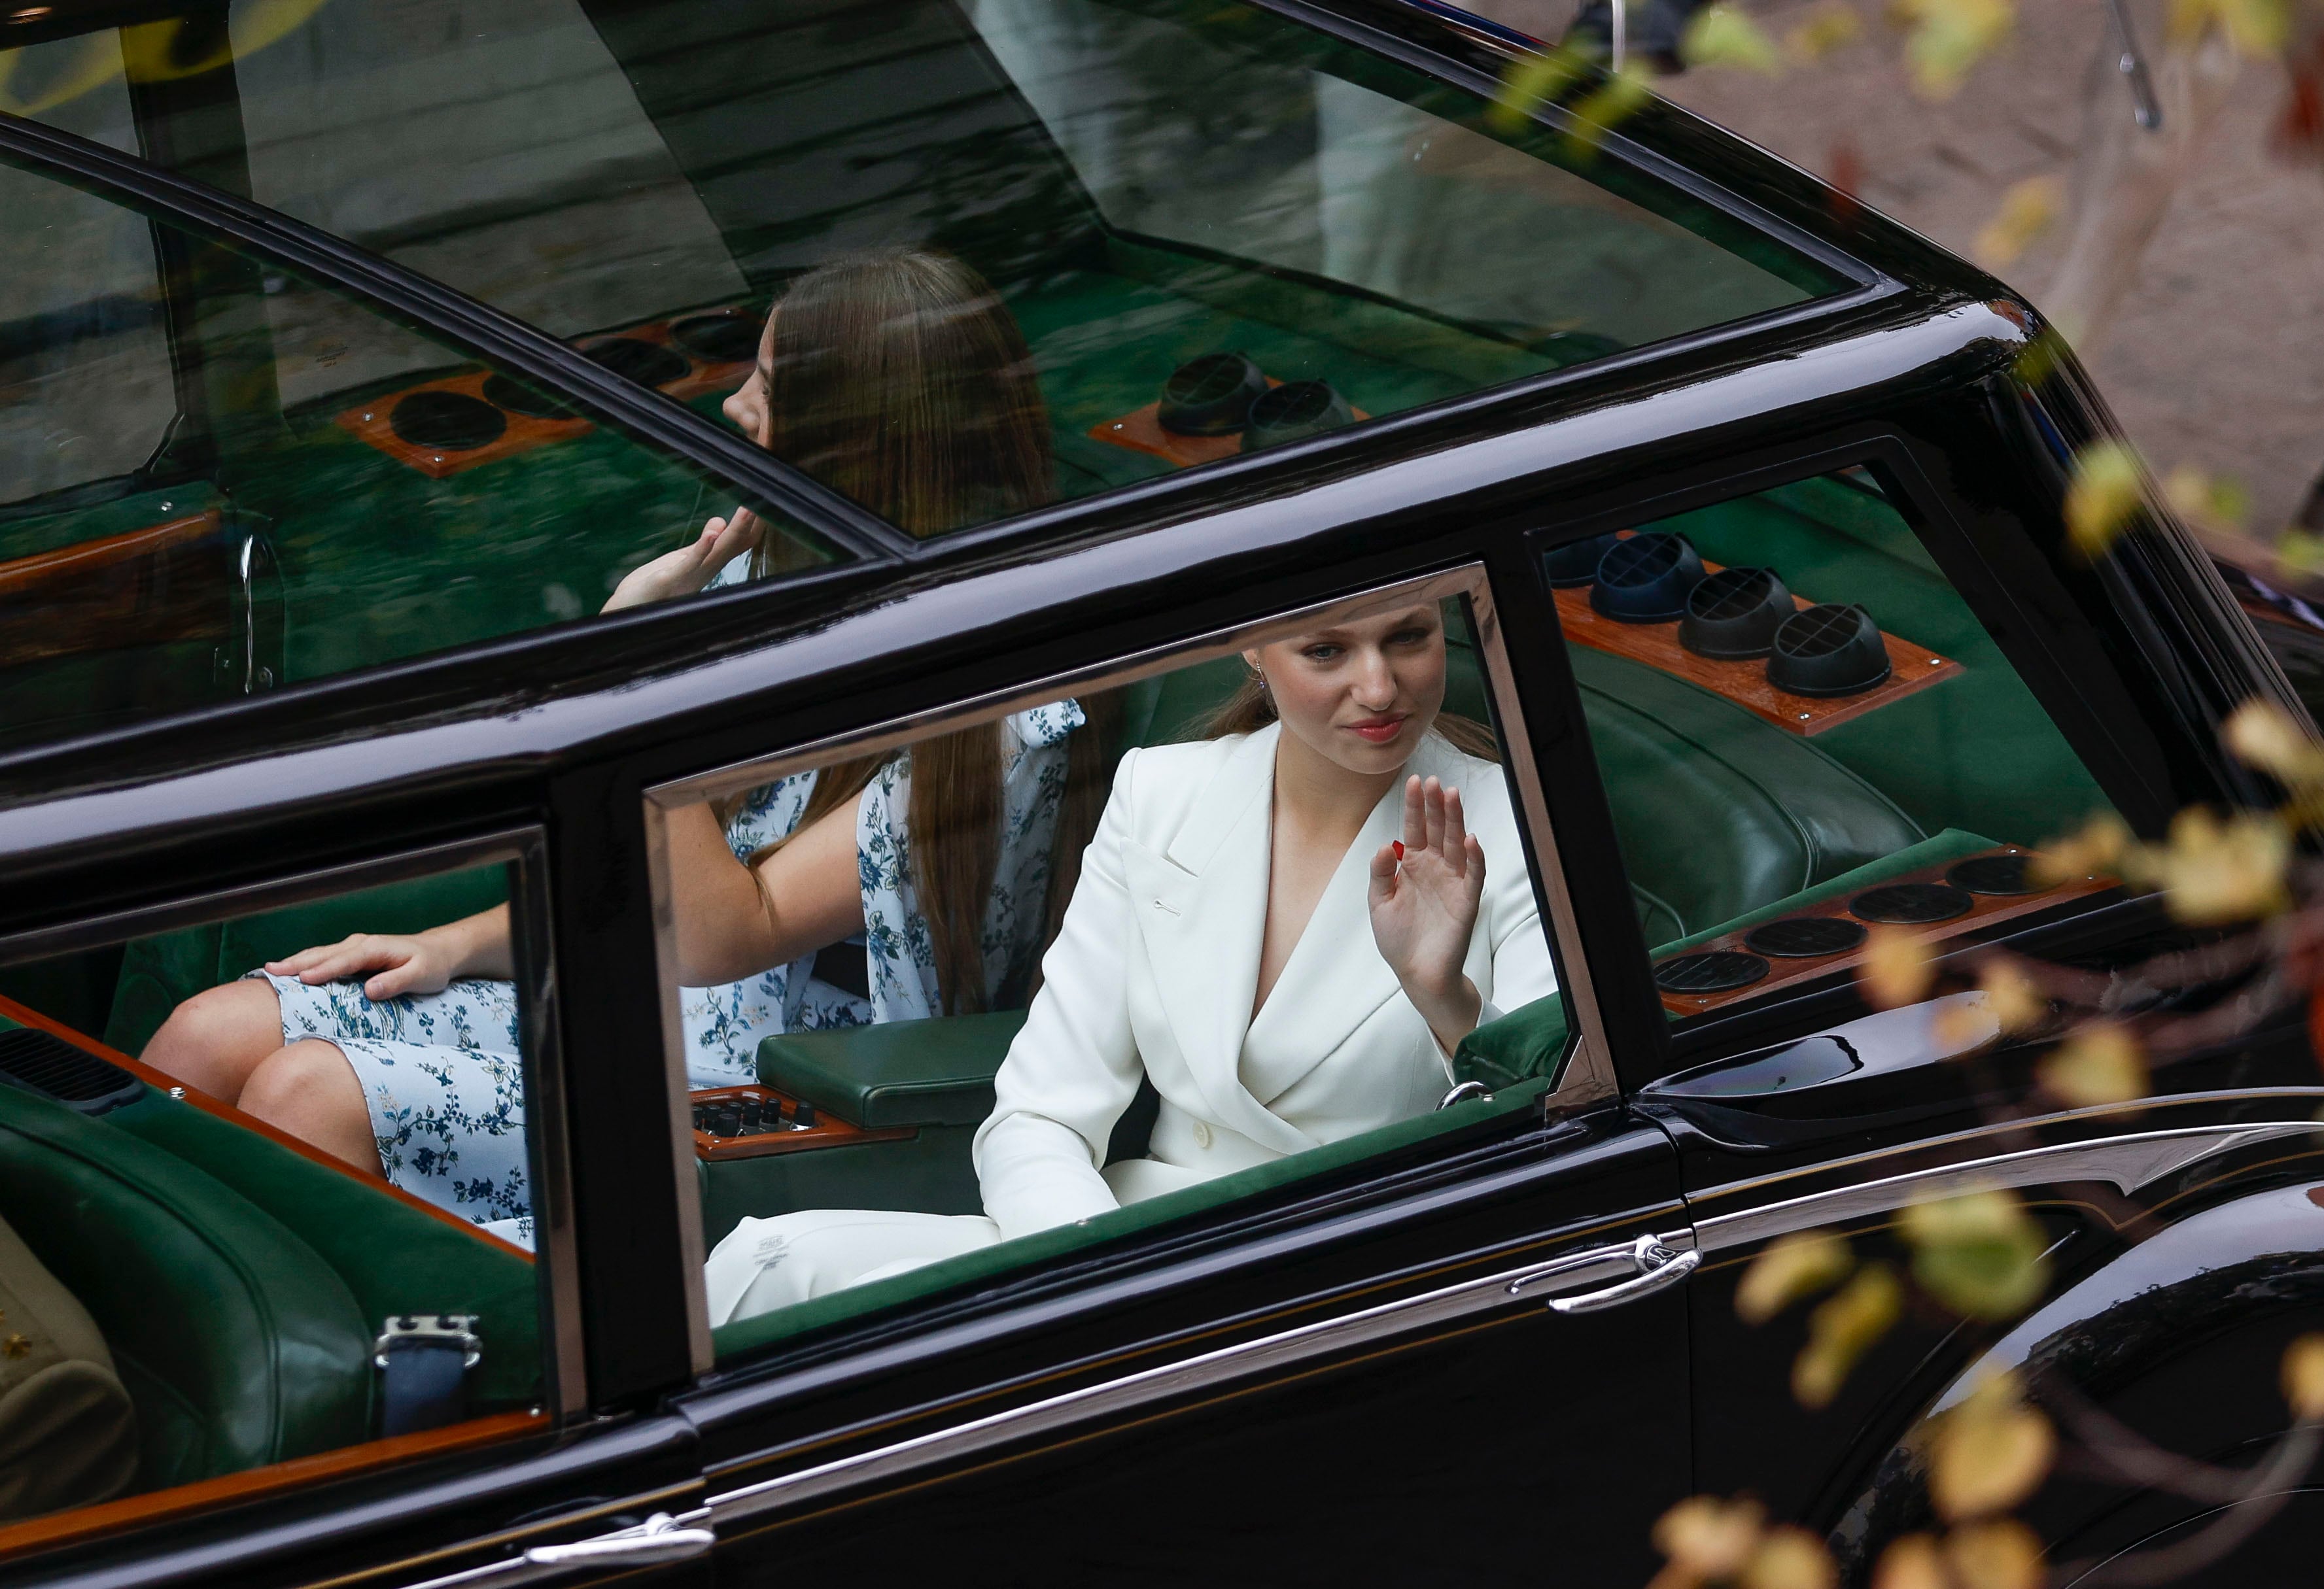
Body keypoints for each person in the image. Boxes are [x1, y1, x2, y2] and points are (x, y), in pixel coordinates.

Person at [142, 249, 1107, 1238]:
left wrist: (637, 664)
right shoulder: (785, 581)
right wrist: (455, 946)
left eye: (766, 389)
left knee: (309, 1094)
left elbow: (723, 925)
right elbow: (651, 874)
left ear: (852, 439)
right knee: (203, 1038)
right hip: (654, 995)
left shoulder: (1000, 719)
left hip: (792, 1078)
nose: (734, 405)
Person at [704, 599, 1557, 1324]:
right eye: (1327, 649)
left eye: (1406, 638)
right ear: (1251, 646)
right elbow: (1037, 1115)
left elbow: (1546, 1143)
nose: (1378, 687)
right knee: (763, 1265)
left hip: (1331, 1280)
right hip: (1124, 1240)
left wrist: (1443, 998)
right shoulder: (1159, 791)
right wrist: (1102, 1282)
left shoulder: (1511, 829)